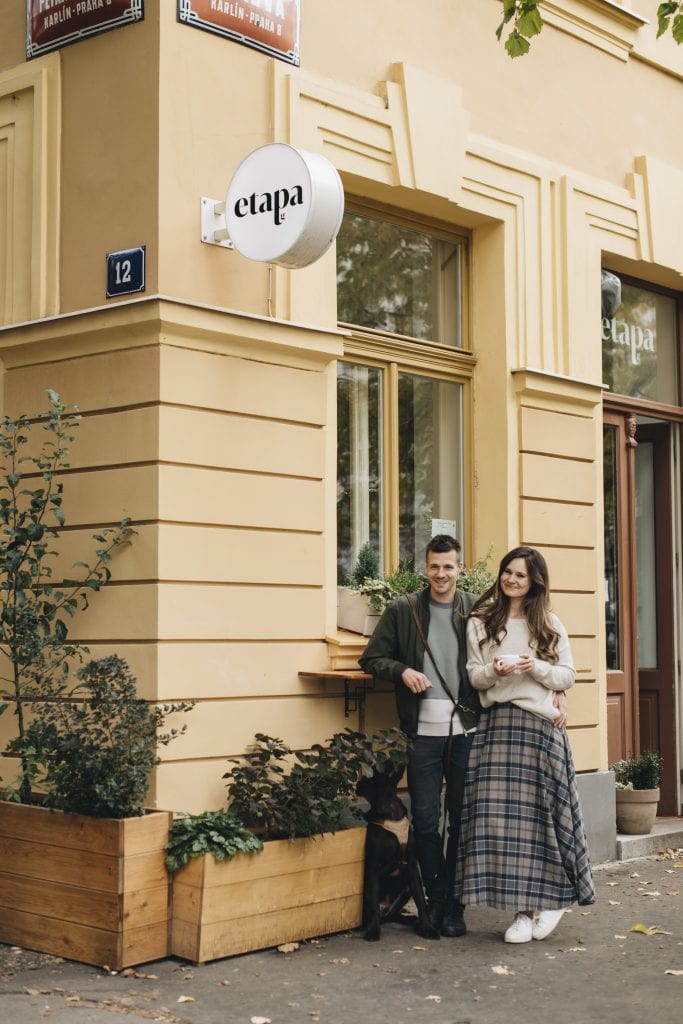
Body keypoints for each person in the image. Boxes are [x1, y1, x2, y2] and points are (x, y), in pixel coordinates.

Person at [455, 546, 595, 944]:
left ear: (534, 581)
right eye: (507, 572)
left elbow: (567, 676)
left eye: (520, 575)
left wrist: (535, 667)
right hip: (498, 727)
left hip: (539, 728)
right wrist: (496, 672)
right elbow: (475, 677)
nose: (511, 580)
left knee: (544, 819)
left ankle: (552, 899)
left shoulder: (548, 623)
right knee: (503, 823)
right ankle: (522, 909)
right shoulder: (481, 621)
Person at [359, 534, 480, 938]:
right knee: (426, 822)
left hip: (466, 731)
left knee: (461, 820)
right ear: (425, 568)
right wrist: (402, 671)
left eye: (449, 566)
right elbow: (371, 658)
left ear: (460, 568)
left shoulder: (476, 608)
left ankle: (454, 906)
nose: (441, 574)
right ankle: (436, 897)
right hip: (422, 735)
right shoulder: (403, 609)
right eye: (434, 566)